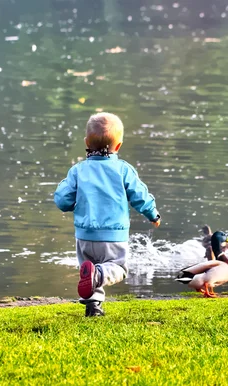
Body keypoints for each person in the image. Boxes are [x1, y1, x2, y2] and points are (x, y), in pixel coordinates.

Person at [54, 112, 161, 316]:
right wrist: (152, 214)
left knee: (89, 267)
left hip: (84, 235)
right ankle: (98, 276)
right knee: (117, 268)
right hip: (113, 235)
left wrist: (70, 203)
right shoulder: (123, 170)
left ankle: (93, 307)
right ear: (118, 146)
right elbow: (139, 195)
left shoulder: (78, 170)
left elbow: (62, 199)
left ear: (86, 142)